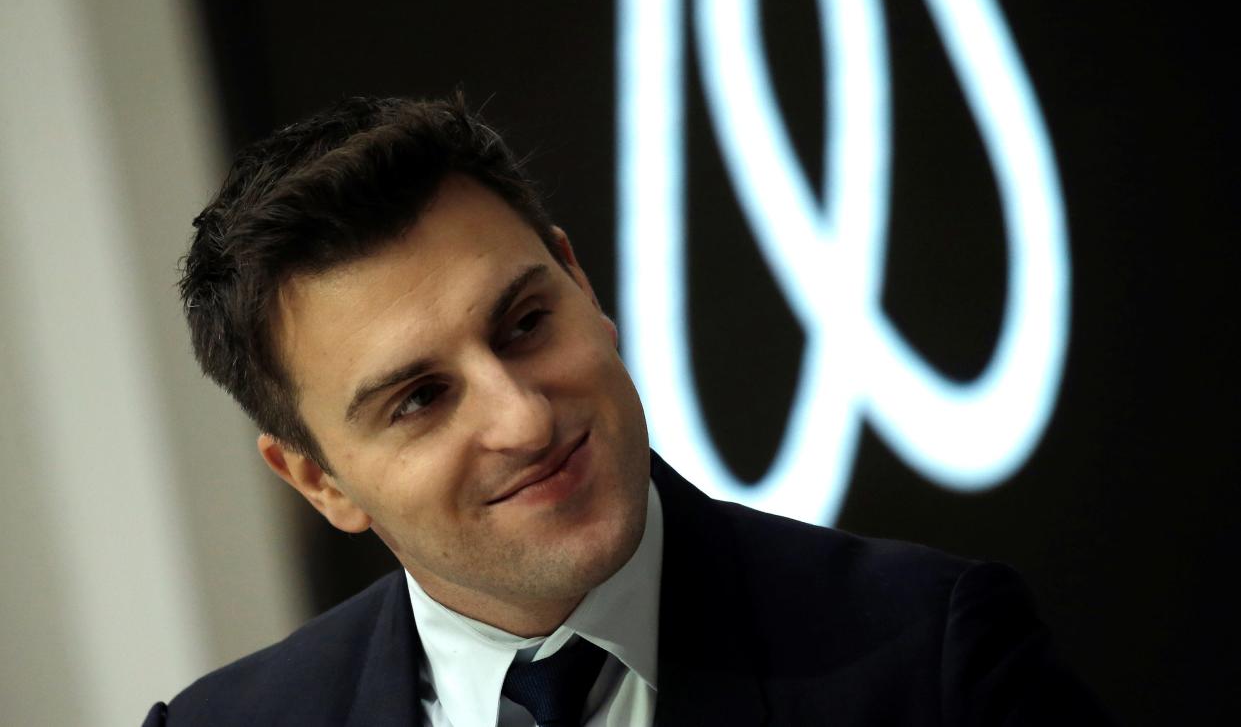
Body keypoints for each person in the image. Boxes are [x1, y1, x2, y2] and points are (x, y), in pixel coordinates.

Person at [144, 95, 1112, 726]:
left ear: (581, 283)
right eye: (421, 399)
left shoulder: (933, 663)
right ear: (318, 478)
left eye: (524, 323)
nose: (523, 419)